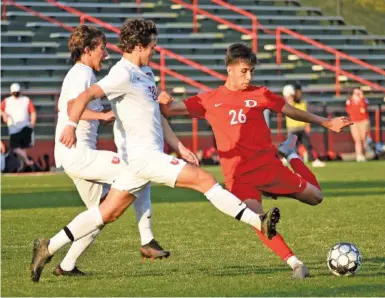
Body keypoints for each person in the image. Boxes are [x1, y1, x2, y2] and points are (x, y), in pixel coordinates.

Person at [30, 19, 280, 283]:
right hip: (143, 157)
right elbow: (81, 98)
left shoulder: (146, 73)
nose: (155, 51)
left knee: (106, 213)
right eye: (152, 46)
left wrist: (180, 146)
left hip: (136, 164)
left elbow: (157, 118)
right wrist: (70, 125)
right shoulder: (121, 73)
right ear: (138, 47)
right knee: (204, 180)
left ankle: (48, 247)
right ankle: (258, 222)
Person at [159, 43, 352, 278]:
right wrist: (161, 98)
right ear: (229, 69)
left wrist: (327, 122)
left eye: (251, 71)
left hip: (269, 167)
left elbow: (290, 110)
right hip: (239, 176)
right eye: (244, 71)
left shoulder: (260, 94)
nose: (248, 77)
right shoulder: (209, 100)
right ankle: (296, 264)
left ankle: (289, 153)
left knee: (316, 197)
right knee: (258, 221)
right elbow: (169, 110)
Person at [52, 25, 172, 276]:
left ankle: (65, 265)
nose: (105, 55)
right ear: (87, 50)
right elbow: (71, 106)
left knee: (100, 215)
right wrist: (102, 115)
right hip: (79, 153)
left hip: (74, 155)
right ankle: (147, 240)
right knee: (139, 167)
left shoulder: (81, 73)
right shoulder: (82, 73)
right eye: (101, 49)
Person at [283, 84, 325, 167]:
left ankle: (314, 160)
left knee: (308, 145)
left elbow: (306, 116)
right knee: (292, 147)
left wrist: (307, 126)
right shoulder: (289, 104)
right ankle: (287, 159)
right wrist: (289, 97)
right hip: (292, 129)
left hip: (301, 128)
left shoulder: (303, 103)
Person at [1, 83, 36, 167]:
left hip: (25, 126)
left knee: (22, 147)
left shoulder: (25, 100)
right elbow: (0, 110)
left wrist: (32, 124)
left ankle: (23, 164)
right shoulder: (7, 101)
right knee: (16, 147)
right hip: (13, 128)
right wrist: (4, 115)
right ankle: (25, 162)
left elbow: (33, 112)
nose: (16, 94)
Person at [345, 87, 370, 162]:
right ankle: (359, 155)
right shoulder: (349, 101)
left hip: (363, 121)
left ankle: (364, 154)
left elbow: (363, 110)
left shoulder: (364, 100)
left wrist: (361, 99)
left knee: (363, 139)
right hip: (354, 122)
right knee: (357, 139)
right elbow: (349, 111)